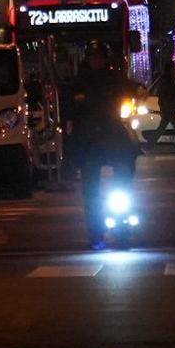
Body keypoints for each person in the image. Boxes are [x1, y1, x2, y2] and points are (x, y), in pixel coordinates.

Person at [63, 45, 139, 248]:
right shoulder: (78, 83)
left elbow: (133, 88)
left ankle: (123, 226)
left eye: (100, 58)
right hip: (89, 141)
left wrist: (138, 92)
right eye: (93, 58)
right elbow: (69, 110)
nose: (97, 61)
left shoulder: (114, 79)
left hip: (112, 136)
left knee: (123, 178)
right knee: (91, 191)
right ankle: (96, 232)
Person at [150, 60, 175, 153]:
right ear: (170, 68)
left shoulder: (171, 79)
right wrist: (169, 105)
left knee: (162, 128)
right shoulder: (167, 80)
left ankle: (149, 145)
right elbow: (165, 95)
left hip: (169, 107)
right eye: (174, 67)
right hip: (168, 107)